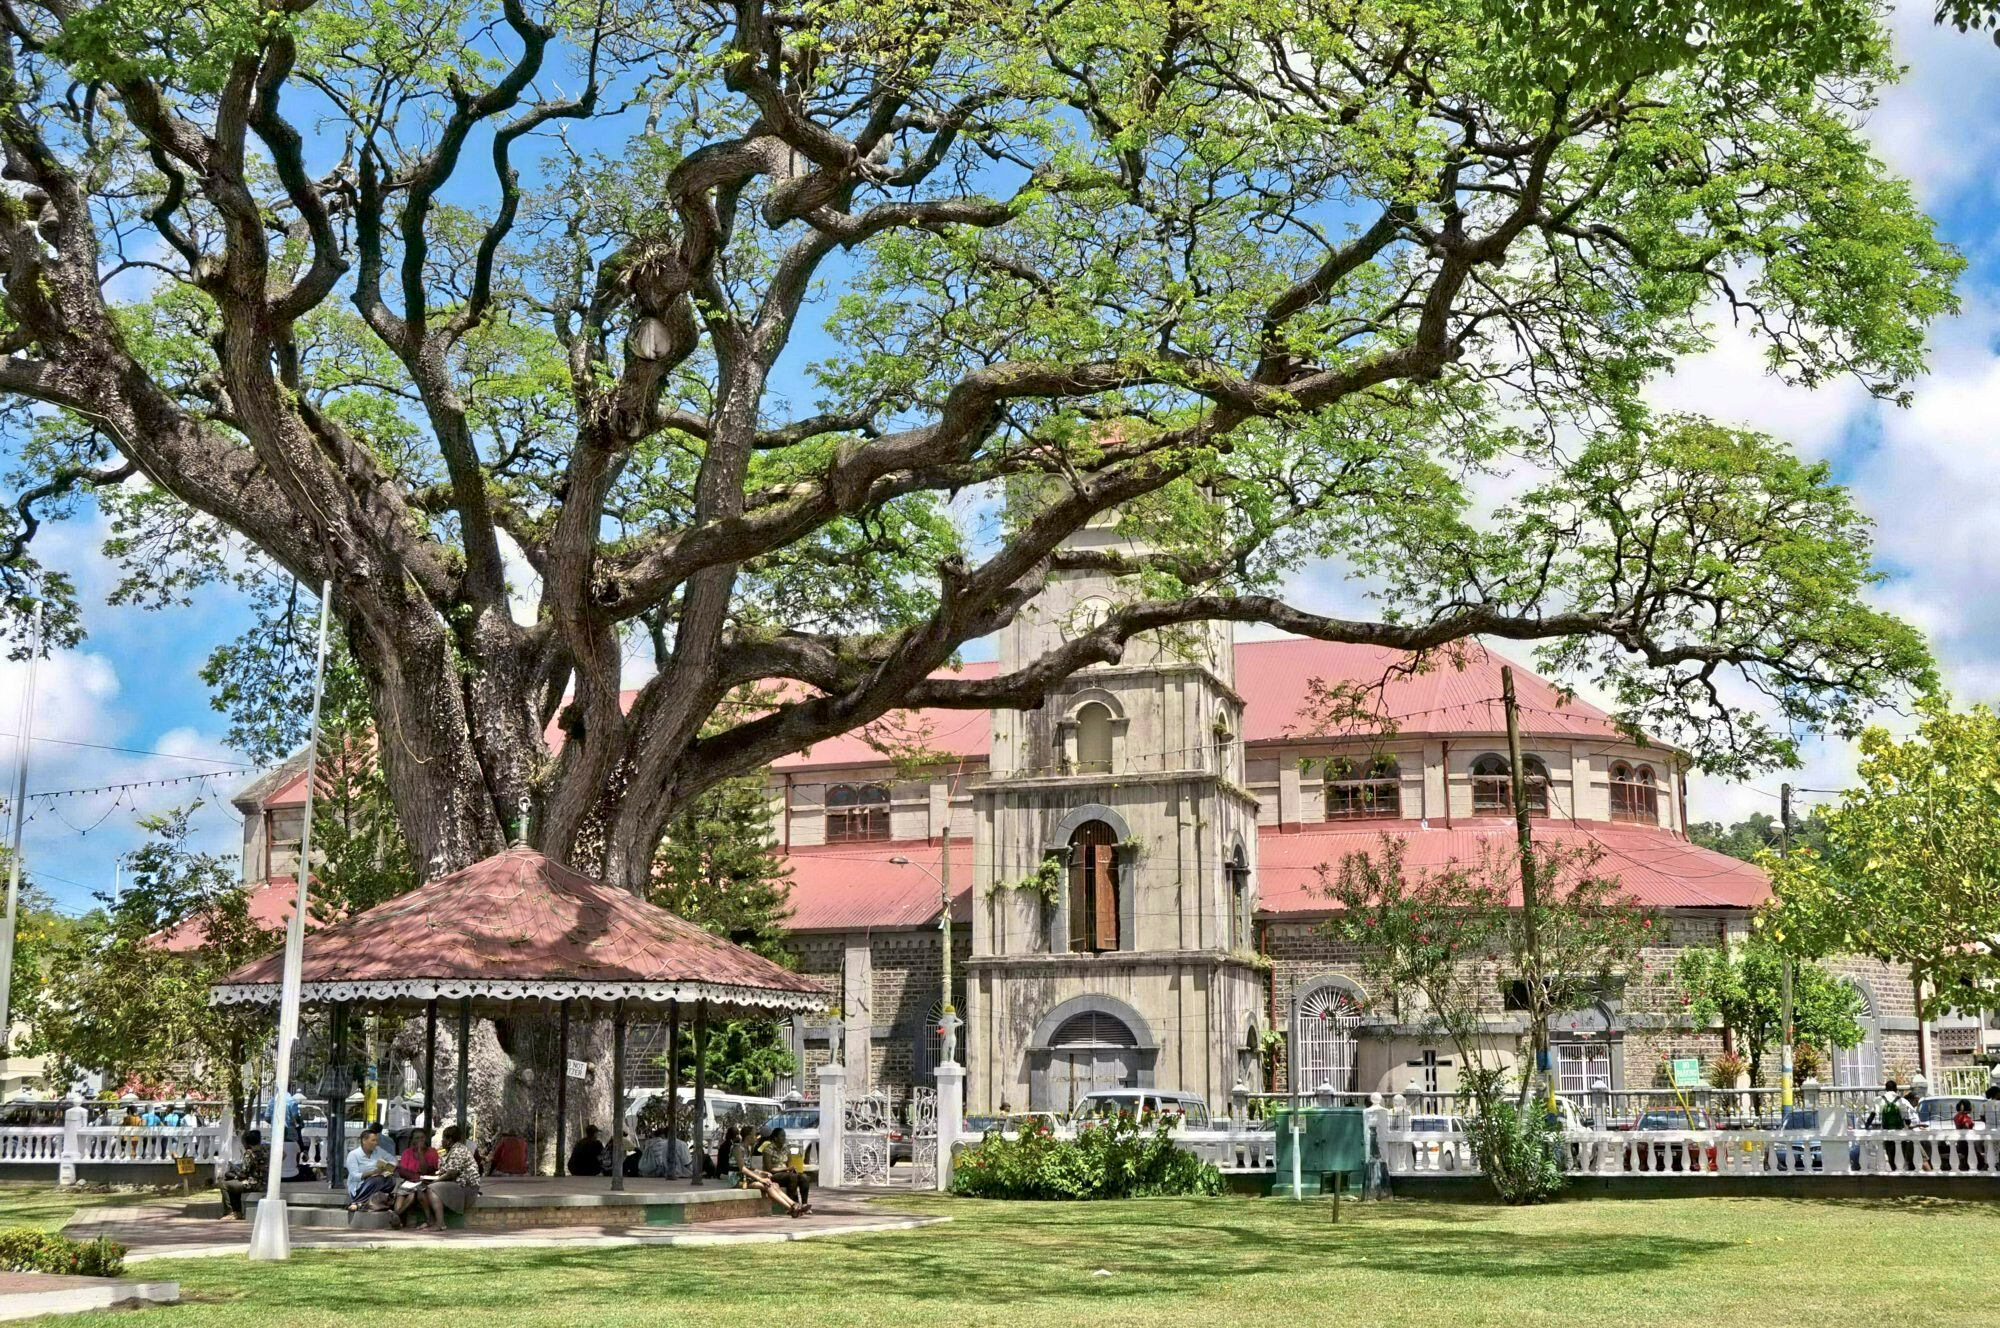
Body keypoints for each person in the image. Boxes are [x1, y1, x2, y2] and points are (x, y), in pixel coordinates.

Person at [732, 1130, 807, 1218]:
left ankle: (794, 1204)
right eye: (754, 1135)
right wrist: (760, 1179)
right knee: (768, 1185)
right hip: (737, 1180)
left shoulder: (748, 1149)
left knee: (774, 1185)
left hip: (746, 1178)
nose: (756, 1138)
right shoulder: (737, 1148)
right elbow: (743, 1169)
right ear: (748, 1137)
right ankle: (791, 1209)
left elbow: (749, 1167)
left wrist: (761, 1172)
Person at [393, 1128, 445, 1231]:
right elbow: (402, 1171)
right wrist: (415, 1177)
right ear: (412, 1140)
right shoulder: (407, 1153)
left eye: (422, 1137)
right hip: (410, 1181)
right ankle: (397, 1217)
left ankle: (396, 1215)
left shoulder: (432, 1152)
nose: (420, 1140)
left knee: (415, 1193)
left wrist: (420, 1152)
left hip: (425, 1182)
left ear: (426, 1139)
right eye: (417, 1138)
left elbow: (426, 1170)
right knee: (401, 1194)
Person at [344, 1125, 399, 1211]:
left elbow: (393, 1159)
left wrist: (388, 1167)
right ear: (364, 1141)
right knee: (376, 1180)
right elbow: (355, 1176)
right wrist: (372, 1173)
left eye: (377, 1140)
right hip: (360, 1185)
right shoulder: (353, 1155)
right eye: (373, 1140)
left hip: (378, 1180)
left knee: (391, 1180)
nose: (376, 1143)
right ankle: (358, 1201)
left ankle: (361, 1203)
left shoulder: (378, 1150)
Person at [218, 1129, 270, 1220]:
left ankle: (231, 1212)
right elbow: (284, 1154)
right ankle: (237, 1212)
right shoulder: (266, 1148)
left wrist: (235, 1173)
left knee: (224, 1184)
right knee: (233, 1184)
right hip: (265, 1182)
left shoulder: (249, 1154)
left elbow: (243, 1174)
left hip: (253, 1184)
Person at [760, 1127, 810, 1211]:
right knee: (792, 1177)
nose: (784, 1138)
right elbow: (769, 1168)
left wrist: (791, 1169)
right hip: (774, 1174)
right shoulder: (768, 1149)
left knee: (804, 1177)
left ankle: (804, 1204)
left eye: (785, 1136)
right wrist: (786, 1169)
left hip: (787, 1173)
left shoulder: (786, 1148)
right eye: (782, 1136)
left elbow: (789, 1164)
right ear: (775, 1138)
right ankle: (792, 1204)